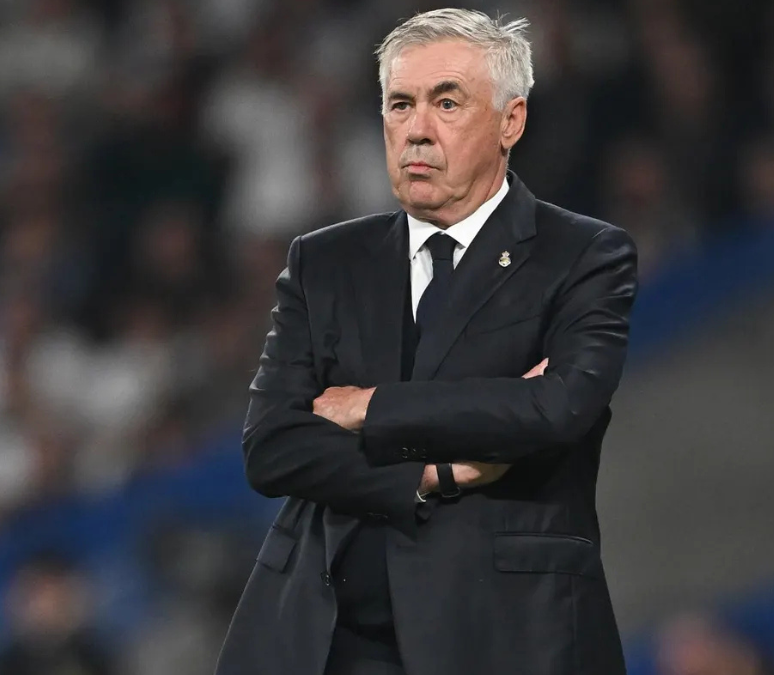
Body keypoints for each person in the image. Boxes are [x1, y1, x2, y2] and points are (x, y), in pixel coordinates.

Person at [216, 8, 638, 675]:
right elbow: (272, 447)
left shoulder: (583, 254)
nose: (416, 129)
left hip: (506, 632)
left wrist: (369, 407)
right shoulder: (324, 261)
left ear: (511, 121)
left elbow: (556, 408)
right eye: (400, 104)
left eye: (446, 102)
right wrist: (429, 473)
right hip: (331, 636)